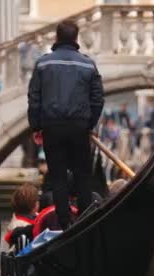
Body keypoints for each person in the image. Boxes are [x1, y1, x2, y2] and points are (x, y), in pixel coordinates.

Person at [28, 20, 104, 230]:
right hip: (79, 126)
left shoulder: (43, 64)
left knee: (58, 176)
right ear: (76, 38)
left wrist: (36, 127)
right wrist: (89, 123)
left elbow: (34, 97)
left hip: (52, 126)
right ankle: (85, 222)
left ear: (57, 37)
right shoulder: (88, 64)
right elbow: (98, 99)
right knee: (83, 176)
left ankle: (64, 224)